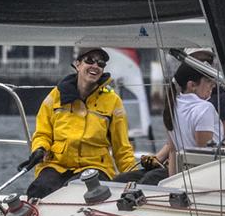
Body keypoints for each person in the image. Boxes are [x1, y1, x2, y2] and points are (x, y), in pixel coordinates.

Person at [19, 47, 137, 199]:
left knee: (77, 191)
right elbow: (43, 133)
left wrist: (134, 175)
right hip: (57, 165)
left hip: (95, 166)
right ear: (77, 64)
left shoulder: (113, 101)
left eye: (100, 64)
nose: (95, 66)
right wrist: (39, 149)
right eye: (89, 61)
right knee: (39, 191)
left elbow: (122, 148)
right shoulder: (55, 96)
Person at [114, 63, 220, 184]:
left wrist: (173, 182)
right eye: (208, 82)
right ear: (192, 85)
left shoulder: (173, 105)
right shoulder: (205, 108)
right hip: (200, 175)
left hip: (180, 173)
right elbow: (203, 154)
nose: (213, 85)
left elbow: (173, 150)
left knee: (121, 180)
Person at [184, 47, 225, 142]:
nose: (203, 63)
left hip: (209, 155)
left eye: (208, 60)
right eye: (195, 60)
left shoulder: (224, 100)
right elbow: (171, 146)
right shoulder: (179, 100)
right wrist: (154, 157)